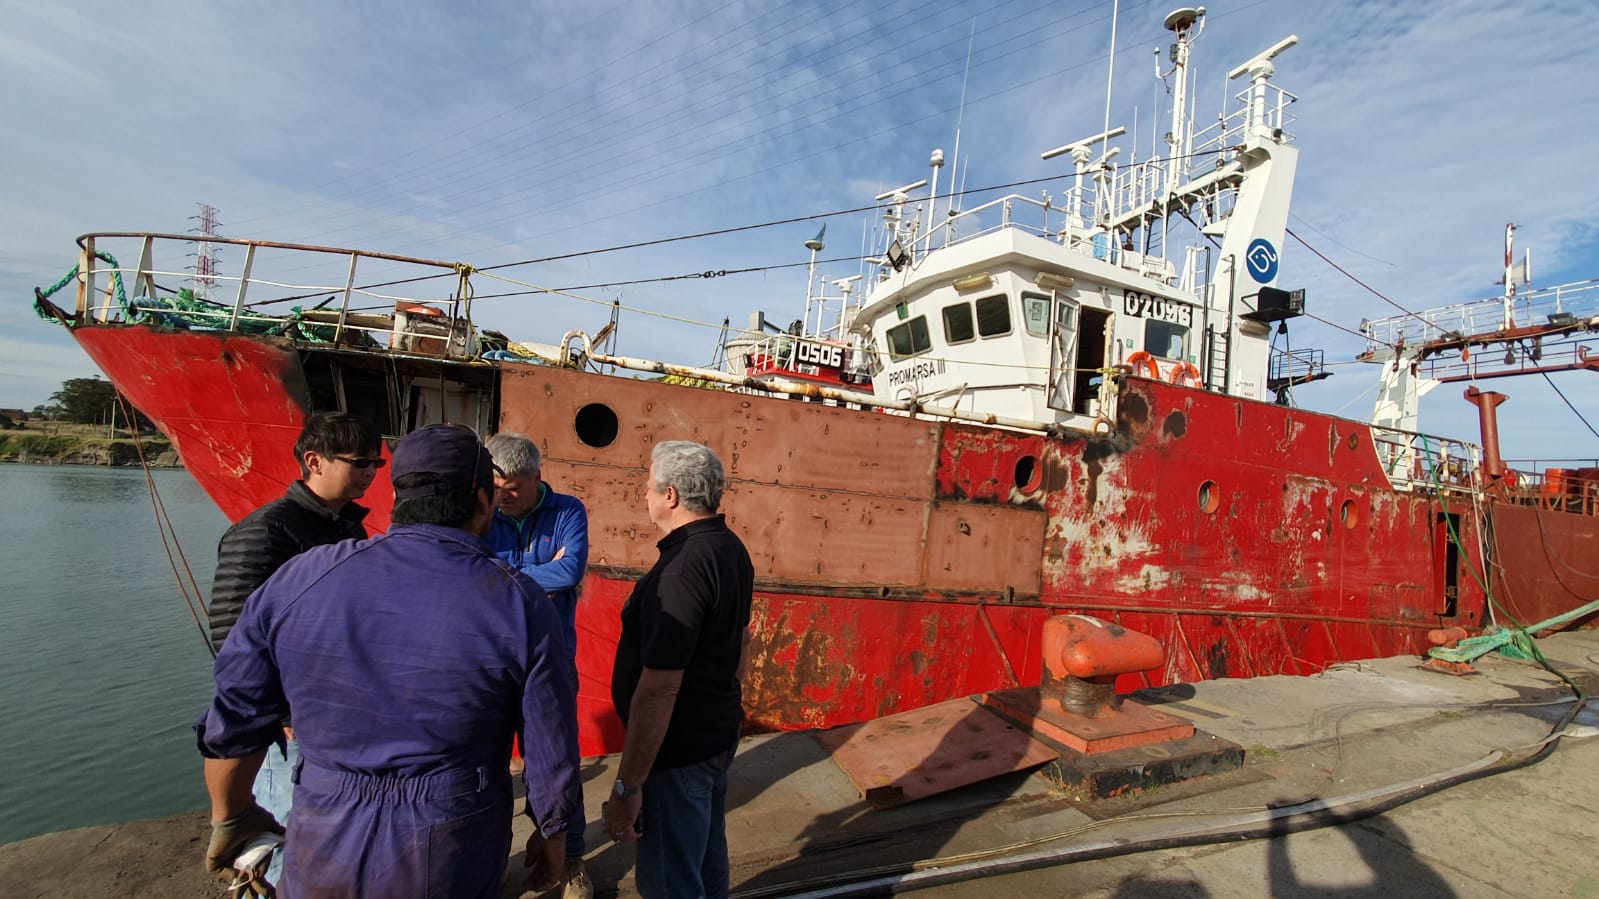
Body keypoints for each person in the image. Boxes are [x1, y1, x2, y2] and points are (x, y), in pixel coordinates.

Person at [196, 423, 581, 897]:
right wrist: (552, 833)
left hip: (322, 832)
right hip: (451, 843)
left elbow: (233, 713)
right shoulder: (519, 601)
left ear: (397, 495)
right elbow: (550, 742)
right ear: (483, 500)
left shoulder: (302, 577)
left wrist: (231, 816)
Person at [205, 410, 381, 888]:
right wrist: (281, 708)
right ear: (314, 461)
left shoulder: (347, 528)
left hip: (332, 712)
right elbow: (232, 635)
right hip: (288, 721)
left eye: (375, 464)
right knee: (284, 836)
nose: (369, 472)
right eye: (359, 462)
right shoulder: (266, 532)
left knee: (327, 833)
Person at [603, 440, 753, 899]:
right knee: (706, 864)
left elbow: (660, 688)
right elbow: (743, 639)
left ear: (670, 496)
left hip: (677, 754)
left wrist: (628, 785)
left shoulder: (681, 570)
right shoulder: (729, 548)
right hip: (714, 736)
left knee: (671, 880)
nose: (644, 496)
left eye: (648, 487)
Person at [484, 431, 593, 899]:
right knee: (485, 764)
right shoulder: (484, 510)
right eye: (496, 487)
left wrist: (500, 577)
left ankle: (570, 860)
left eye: (513, 489)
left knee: (558, 763)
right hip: (490, 660)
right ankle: (487, 859)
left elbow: (570, 572)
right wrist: (541, 575)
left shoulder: (567, 511)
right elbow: (471, 570)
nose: (503, 498)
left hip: (550, 658)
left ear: (536, 479)